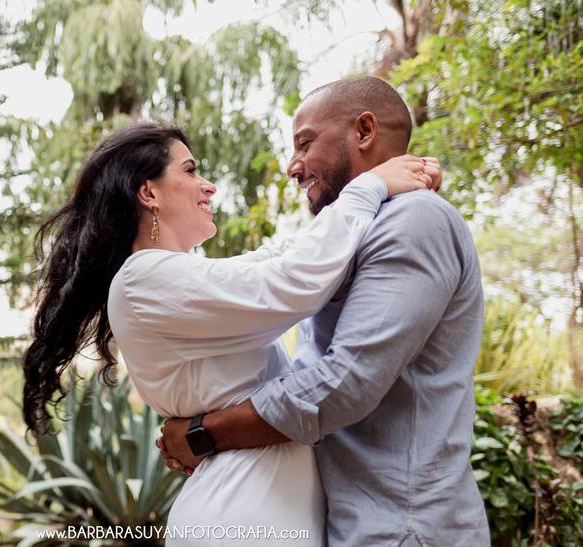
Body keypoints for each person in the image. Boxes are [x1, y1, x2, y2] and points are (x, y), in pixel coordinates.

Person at [22, 110, 439, 544]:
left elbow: (280, 257)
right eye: (190, 170)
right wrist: (370, 187)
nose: (209, 186)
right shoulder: (141, 279)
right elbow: (291, 281)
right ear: (148, 192)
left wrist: (403, 177)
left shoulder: (174, 277)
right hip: (240, 516)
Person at [158, 76, 491, 546]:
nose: (293, 167)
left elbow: (345, 381)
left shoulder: (416, 221)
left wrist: (203, 435)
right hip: (358, 523)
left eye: (304, 143)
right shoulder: (356, 230)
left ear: (364, 131)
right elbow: (276, 276)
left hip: (403, 528)